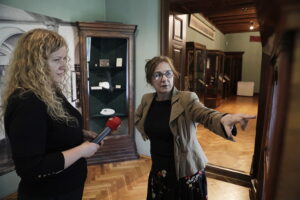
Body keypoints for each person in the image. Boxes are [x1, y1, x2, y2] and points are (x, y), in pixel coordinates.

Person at [135, 56, 256, 200]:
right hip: (159, 169)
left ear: (173, 75)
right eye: (157, 75)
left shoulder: (186, 99)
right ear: (150, 80)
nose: (164, 79)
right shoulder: (147, 99)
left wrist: (223, 118)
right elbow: (138, 118)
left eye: (168, 73)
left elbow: (205, 114)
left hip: (186, 171)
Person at [1, 28, 100, 200]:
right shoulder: (27, 102)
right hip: (49, 193)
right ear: (35, 64)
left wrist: (81, 134)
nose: (64, 66)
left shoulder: (50, 91)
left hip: (68, 187)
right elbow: (30, 167)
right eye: (56, 60)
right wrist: (82, 150)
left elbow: (51, 129)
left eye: (64, 58)